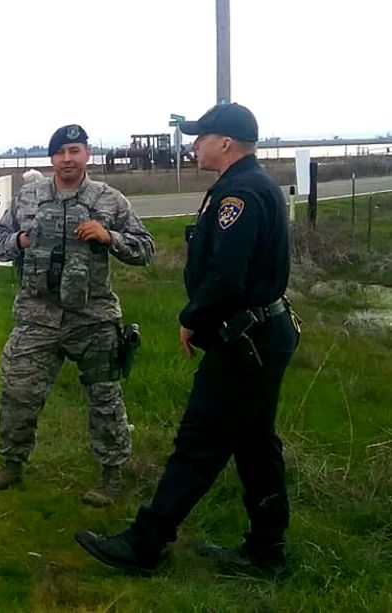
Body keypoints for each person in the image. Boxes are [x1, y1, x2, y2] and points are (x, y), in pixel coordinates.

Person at [76, 103, 300, 577]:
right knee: (256, 444)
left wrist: (193, 318)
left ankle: (146, 542)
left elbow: (227, 275)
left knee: (199, 443)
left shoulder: (240, 194)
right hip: (262, 333)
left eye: (201, 137)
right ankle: (267, 550)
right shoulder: (250, 185)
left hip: (246, 340)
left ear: (226, 142)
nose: (193, 144)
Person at [0, 124, 155, 507]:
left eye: (74, 150)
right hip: (36, 315)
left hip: (92, 317)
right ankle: (12, 464)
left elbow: (145, 248)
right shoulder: (28, 197)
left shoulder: (109, 200)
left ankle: (111, 474)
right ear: (51, 158)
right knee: (18, 391)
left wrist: (110, 237)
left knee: (105, 397)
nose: (67, 159)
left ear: (86, 154)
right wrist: (19, 241)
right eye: (60, 152)